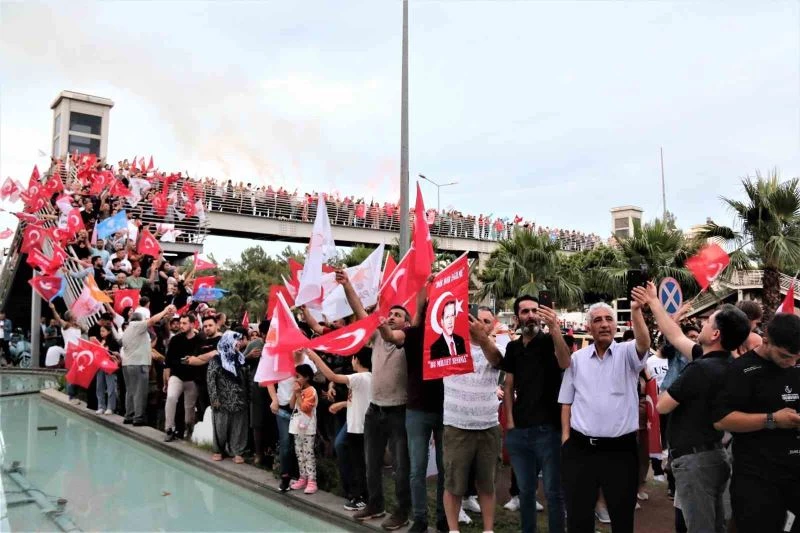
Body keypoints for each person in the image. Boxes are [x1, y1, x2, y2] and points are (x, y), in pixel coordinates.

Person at [633, 283, 751, 532]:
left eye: (708, 323)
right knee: (714, 523)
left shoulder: (699, 368)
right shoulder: (725, 362)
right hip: (714, 454)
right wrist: (654, 302)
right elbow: (675, 336)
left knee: (699, 527)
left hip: (695, 461)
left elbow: (663, 406)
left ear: (716, 334)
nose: (702, 326)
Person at [558, 298, 650, 533]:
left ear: (616, 325)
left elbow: (643, 342)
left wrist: (636, 311)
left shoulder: (628, 354)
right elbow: (566, 401)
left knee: (621, 517)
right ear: (589, 327)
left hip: (620, 451)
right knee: (579, 517)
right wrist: (566, 439)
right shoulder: (577, 360)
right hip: (581, 450)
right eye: (597, 320)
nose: (604, 324)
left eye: (609, 319)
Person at [713, 313, 800, 533]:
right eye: (785, 356)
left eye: (797, 358)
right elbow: (721, 420)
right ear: (766, 339)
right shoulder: (741, 370)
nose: (791, 363)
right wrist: (772, 420)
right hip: (757, 476)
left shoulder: (795, 366)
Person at [339, 269, 412, 531]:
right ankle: (375, 504)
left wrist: (380, 317)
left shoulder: (405, 337)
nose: (392, 317)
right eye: (390, 313)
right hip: (375, 410)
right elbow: (360, 313)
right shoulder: (378, 338)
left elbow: (392, 334)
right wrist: (348, 286)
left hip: (398, 412)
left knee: (401, 467)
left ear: (406, 322)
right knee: (371, 463)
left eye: (397, 315)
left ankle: (402, 512)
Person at [503, 296, 571, 533]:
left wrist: (555, 329)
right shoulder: (512, 348)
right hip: (519, 431)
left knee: (554, 492)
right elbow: (509, 385)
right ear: (517, 317)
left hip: (549, 430)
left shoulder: (552, 341)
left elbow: (565, 363)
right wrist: (510, 423)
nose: (530, 315)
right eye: (525, 311)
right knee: (526, 492)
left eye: (534, 310)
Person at [441, 307, 506, 533]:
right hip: (456, 426)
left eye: (486, 322)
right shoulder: (449, 345)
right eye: (476, 320)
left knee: (487, 485)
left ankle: (488, 530)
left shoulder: (499, 346)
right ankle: (453, 530)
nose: (481, 325)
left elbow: (498, 361)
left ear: (493, 325)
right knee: (453, 485)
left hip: (487, 427)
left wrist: (483, 339)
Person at [401, 279, 447, 533]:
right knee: (417, 469)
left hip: (445, 410)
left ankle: (442, 518)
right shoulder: (412, 335)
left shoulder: (452, 336)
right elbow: (417, 311)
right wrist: (422, 286)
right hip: (417, 410)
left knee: (445, 470)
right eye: (428, 311)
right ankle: (420, 518)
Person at [308, 347, 372, 511]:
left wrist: (314, 356)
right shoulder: (363, 378)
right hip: (354, 425)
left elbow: (332, 376)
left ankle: (361, 497)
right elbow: (360, 400)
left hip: (359, 428)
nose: (351, 361)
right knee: (350, 455)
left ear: (357, 360)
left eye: (353, 358)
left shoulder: (361, 377)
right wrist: (343, 404)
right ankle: (355, 493)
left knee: (358, 463)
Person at [121, 305, 175, 426]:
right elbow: (152, 321)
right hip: (139, 363)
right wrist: (164, 310)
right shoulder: (137, 326)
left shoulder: (127, 329)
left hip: (127, 364)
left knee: (130, 391)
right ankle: (138, 417)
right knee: (140, 391)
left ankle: (129, 415)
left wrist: (165, 317)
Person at [208, 329, 250, 464]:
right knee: (220, 427)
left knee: (239, 427)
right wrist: (214, 398)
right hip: (221, 400)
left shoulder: (241, 359)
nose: (238, 343)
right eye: (236, 340)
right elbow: (210, 380)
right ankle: (218, 450)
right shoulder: (216, 360)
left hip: (239, 400)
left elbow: (246, 379)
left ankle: (237, 451)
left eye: (239, 340)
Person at [163, 313, 201, 442]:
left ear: (192, 324)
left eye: (185, 323)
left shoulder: (199, 340)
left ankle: (189, 430)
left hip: (192, 379)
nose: (181, 326)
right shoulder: (175, 340)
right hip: (177, 376)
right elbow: (167, 362)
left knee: (189, 410)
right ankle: (169, 428)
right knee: (171, 397)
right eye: (181, 323)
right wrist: (166, 380)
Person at [288, 363, 318, 494]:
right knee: (299, 454)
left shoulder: (311, 391)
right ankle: (302, 477)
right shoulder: (298, 390)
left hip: (307, 429)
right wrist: (295, 393)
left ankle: (312, 480)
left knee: (308, 454)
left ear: (306, 377)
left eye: (298, 376)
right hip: (297, 427)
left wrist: (299, 394)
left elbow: (305, 408)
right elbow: (291, 405)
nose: (296, 379)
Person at [95, 324, 121, 415]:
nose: (101, 333)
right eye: (100, 331)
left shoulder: (113, 342)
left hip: (109, 366)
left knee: (111, 387)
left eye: (103, 331)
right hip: (100, 366)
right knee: (99, 387)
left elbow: (117, 355)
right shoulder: (100, 341)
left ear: (109, 331)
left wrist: (114, 354)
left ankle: (110, 407)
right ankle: (101, 406)